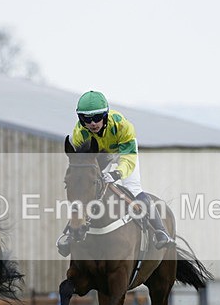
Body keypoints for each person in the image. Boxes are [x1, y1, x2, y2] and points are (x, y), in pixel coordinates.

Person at [56, 90, 173, 256]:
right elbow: (80, 163)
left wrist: (117, 174)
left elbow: (128, 159)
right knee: (85, 190)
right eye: (86, 119)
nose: (92, 123)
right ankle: (71, 231)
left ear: (105, 114)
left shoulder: (123, 126)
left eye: (97, 117)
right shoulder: (79, 134)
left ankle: (161, 231)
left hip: (123, 153)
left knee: (133, 187)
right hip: (98, 156)